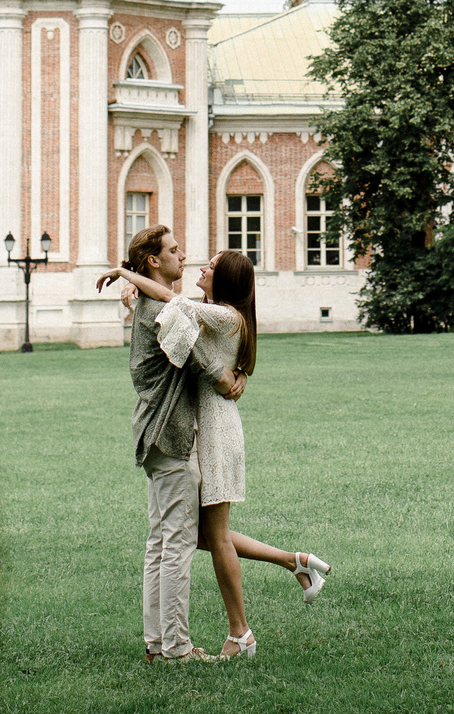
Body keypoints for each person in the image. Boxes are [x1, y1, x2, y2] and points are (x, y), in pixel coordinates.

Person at [111, 250, 331, 661]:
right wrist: (133, 290)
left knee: (210, 535)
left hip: (215, 430)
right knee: (198, 534)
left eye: (210, 267)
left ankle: (241, 633)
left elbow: (172, 304)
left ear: (224, 279)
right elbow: (172, 317)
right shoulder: (220, 313)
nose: (200, 268)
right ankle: (293, 561)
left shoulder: (226, 316)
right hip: (206, 426)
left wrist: (128, 274)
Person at [103, 225, 235, 664]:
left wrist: (128, 282)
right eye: (174, 251)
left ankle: (158, 643)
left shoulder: (150, 304)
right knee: (175, 544)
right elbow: (197, 354)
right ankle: (176, 647)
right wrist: (226, 379)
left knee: (160, 541)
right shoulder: (163, 312)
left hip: (153, 435)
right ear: (154, 261)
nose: (184, 256)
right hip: (172, 436)